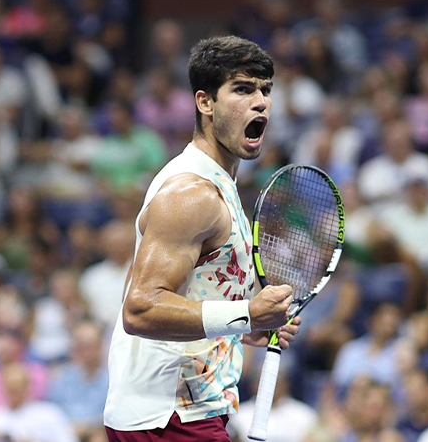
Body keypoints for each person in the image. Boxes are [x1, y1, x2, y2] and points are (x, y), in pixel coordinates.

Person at [103, 36, 299, 442]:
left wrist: (248, 328)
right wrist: (247, 312)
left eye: (266, 90)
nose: (260, 102)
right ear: (205, 102)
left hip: (189, 412)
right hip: (168, 418)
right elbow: (139, 308)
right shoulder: (190, 194)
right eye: (243, 89)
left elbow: (184, 297)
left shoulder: (219, 186)